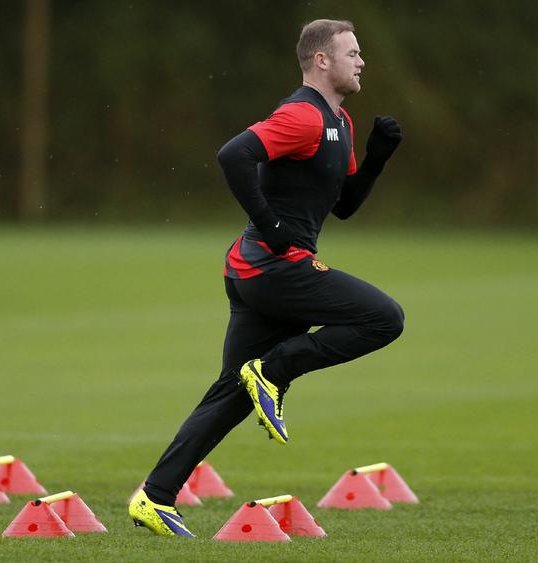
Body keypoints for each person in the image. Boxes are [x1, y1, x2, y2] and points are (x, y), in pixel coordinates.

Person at [128, 19, 405, 537]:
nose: (361, 61)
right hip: (273, 266)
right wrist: (275, 229)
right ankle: (274, 371)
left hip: (263, 269)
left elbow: (343, 205)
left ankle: (155, 497)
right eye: (352, 53)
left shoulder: (339, 121)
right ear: (321, 60)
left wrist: (376, 159)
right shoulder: (301, 114)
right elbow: (234, 154)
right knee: (384, 318)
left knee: (232, 391)